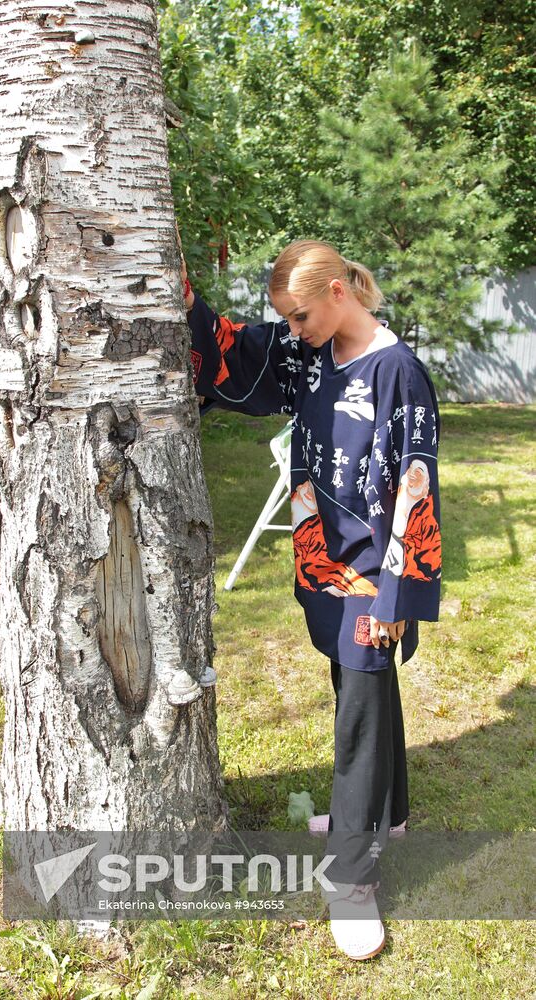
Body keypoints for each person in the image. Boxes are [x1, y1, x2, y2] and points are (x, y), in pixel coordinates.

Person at [181, 238, 442, 960]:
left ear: (337, 293)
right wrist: (186, 304)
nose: (291, 332)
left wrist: (396, 591)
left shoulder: (397, 372)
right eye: (285, 321)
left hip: (375, 573)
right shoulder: (307, 355)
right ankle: (388, 815)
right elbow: (240, 355)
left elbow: (415, 486)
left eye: (299, 316)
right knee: (357, 683)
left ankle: (352, 880)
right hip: (322, 559)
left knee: (356, 714)